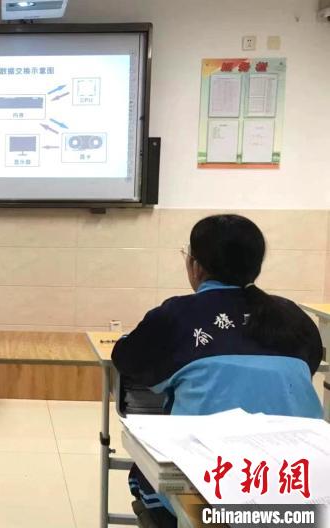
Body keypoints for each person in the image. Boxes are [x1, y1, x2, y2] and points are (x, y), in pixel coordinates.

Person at [112, 214, 323, 528]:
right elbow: (309, 367)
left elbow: (128, 360)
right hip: (302, 481)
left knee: (143, 474)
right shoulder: (291, 316)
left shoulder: (177, 314)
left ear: (195, 266)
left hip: (212, 486)